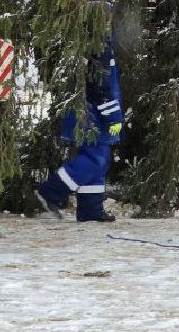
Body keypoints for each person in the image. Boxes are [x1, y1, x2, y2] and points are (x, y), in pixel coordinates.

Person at [36, 14, 124, 223]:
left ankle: (90, 210)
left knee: (98, 162)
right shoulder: (98, 50)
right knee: (96, 159)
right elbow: (101, 89)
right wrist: (114, 117)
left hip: (86, 115)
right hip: (90, 117)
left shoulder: (90, 47)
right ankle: (52, 190)